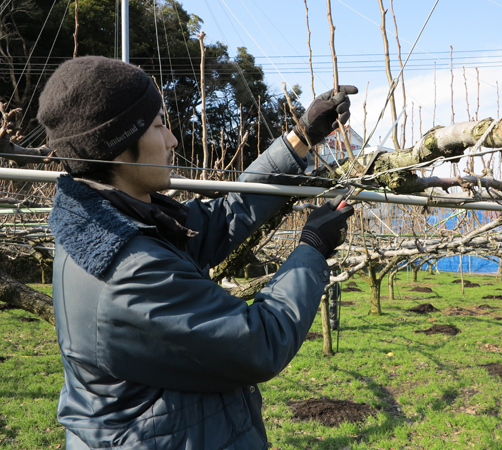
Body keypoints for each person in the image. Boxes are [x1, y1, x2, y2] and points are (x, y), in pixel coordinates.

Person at [37, 55, 356, 450]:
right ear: (118, 148)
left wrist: (301, 138)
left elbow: (225, 215)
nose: (171, 140)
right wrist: (312, 248)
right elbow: (259, 343)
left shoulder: (111, 223)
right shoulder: (132, 268)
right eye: (157, 126)